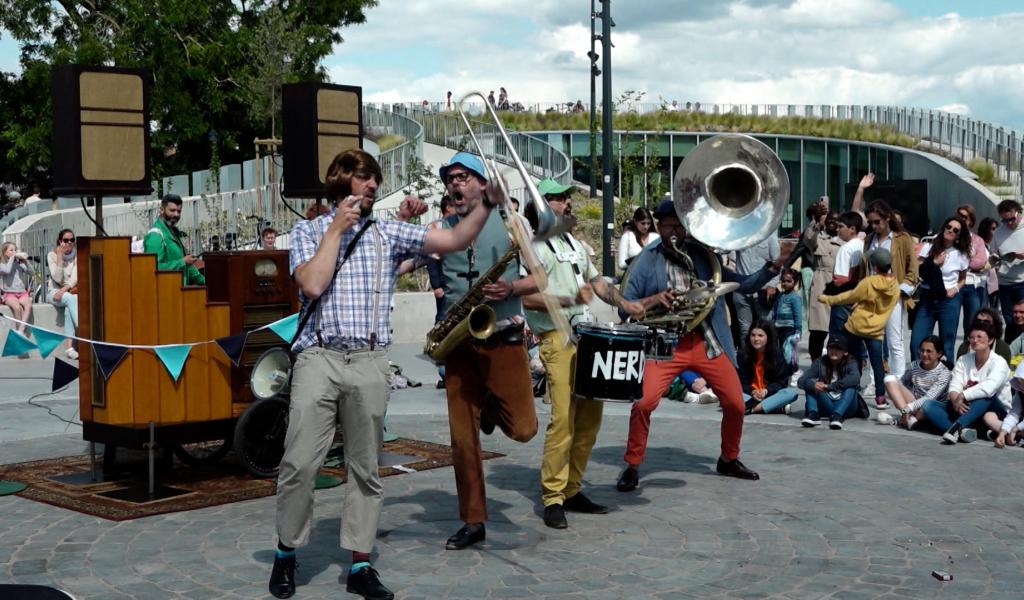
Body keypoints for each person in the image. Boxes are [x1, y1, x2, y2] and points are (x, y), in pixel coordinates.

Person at [269, 148, 502, 600]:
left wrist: (486, 204)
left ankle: (360, 564)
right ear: (341, 181)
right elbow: (312, 284)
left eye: (375, 178)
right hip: (319, 356)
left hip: (370, 360)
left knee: (365, 469)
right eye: (364, 177)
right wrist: (335, 229)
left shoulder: (386, 231)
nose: (373, 184)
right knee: (299, 463)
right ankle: (286, 552)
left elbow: (453, 241)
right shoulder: (307, 230)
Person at [615, 199, 782, 492]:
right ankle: (632, 464)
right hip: (666, 345)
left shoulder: (704, 255)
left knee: (735, 403)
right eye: (669, 227)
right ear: (659, 227)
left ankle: (729, 458)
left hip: (708, 341)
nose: (675, 232)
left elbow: (744, 285)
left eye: (680, 226)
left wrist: (772, 268)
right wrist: (655, 300)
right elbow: (623, 306)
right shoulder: (646, 260)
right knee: (644, 403)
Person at [521, 178, 644, 529]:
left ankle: (572, 488)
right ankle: (553, 496)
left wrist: (625, 304)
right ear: (541, 204)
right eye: (558, 198)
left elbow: (597, 282)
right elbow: (526, 297)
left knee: (590, 419)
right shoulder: (530, 246)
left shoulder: (573, 242)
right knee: (563, 419)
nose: (566, 203)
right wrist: (567, 300)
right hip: (556, 336)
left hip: (586, 336)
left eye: (565, 197)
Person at [433, 152, 541, 551]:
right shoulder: (440, 229)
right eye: (450, 179)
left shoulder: (513, 224)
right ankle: (473, 520)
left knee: (525, 429)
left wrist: (511, 288)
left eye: (462, 177)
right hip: (458, 342)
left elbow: (541, 279)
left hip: (503, 336)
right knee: (463, 441)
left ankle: (492, 409)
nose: (454, 184)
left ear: (483, 184)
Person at [820, 248, 899, 409]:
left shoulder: (869, 282)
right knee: (877, 364)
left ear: (874, 266)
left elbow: (849, 297)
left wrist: (828, 299)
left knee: (850, 359)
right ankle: (880, 398)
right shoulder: (895, 286)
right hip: (876, 330)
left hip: (856, 326)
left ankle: (849, 389)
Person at [921, 321, 1010, 444]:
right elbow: (955, 384)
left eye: (979, 337)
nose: (975, 340)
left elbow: (989, 388)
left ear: (990, 340)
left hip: (994, 410)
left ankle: (956, 428)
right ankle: (963, 431)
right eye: (972, 337)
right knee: (928, 405)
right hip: (965, 408)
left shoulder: (999, 362)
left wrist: (963, 395)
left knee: (986, 395)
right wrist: (955, 400)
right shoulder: (964, 359)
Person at [862, 200, 918, 381]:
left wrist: (901, 290)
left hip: (893, 295)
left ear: (887, 218)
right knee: (874, 342)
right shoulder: (869, 240)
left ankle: (898, 381)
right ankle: (874, 381)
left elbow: (913, 269)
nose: (874, 226)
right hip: (872, 296)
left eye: (877, 221)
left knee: (895, 341)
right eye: (870, 222)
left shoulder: (901, 238)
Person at [910, 216, 970, 365]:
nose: (951, 231)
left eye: (955, 230)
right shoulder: (928, 248)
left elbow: (962, 279)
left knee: (947, 343)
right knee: (916, 342)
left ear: (958, 235)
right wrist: (934, 262)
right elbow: (919, 271)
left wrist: (955, 289)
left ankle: (945, 375)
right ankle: (918, 374)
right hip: (927, 297)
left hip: (948, 300)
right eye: (948, 227)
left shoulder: (961, 254)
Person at [883, 335, 951, 429]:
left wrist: (907, 408)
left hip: (931, 408)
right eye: (922, 350)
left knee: (926, 407)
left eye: (929, 351)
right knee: (889, 379)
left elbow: (929, 397)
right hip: (913, 404)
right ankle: (908, 419)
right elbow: (901, 382)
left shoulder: (944, 373)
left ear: (939, 354)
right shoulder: (914, 365)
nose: (924, 354)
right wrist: (896, 396)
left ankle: (901, 420)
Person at [797, 338, 866, 429]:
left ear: (845, 352)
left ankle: (837, 415)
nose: (834, 351)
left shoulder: (851, 362)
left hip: (846, 407)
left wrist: (829, 386)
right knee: (811, 385)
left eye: (838, 348)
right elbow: (801, 380)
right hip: (826, 403)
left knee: (851, 388)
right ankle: (813, 414)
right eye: (831, 348)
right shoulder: (820, 362)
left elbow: (855, 379)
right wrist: (813, 385)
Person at [143, 194, 205, 285]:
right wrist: (182, 262)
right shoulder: (155, 236)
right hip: (167, 291)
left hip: (179, 290)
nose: (176, 214)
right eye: (172, 210)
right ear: (161, 210)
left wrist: (206, 282)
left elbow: (188, 267)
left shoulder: (173, 233)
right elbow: (154, 268)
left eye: (179, 211)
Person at [739, 321, 798, 415]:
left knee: (791, 393)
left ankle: (752, 409)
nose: (756, 339)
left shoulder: (776, 354)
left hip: (769, 394)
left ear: (768, 337)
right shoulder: (742, 355)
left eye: (760, 335)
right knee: (730, 393)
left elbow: (781, 382)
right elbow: (741, 382)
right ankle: (774, 407)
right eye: (753, 335)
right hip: (749, 395)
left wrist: (766, 391)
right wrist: (752, 392)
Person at [732, 230, 781, 344]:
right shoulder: (739, 234)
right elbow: (726, 250)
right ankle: (746, 355)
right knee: (745, 330)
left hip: (763, 291)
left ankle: (770, 354)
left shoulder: (769, 235)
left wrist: (772, 285)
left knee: (766, 328)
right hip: (741, 290)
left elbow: (777, 262)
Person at [806, 210, 841, 359]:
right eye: (830, 219)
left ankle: (837, 363)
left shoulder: (845, 239)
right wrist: (815, 222)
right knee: (818, 328)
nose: (832, 222)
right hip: (820, 283)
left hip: (839, 284)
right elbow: (808, 239)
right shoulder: (818, 237)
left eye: (836, 220)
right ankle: (815, 362)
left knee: (839, 328)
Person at [827, 212, 865, 344]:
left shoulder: (846, 249)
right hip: (858, 299)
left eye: (841, 226)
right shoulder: (863, 245)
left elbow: (840, 280)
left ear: (852, 229)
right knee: (855, 341)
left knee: (838, 342)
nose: (837, 230)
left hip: (843, 301)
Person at [955, 204, 990, 338]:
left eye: (965, 217)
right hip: (952, 284)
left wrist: (956, 262)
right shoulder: (948, 235)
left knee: (972, 324)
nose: (961, 219)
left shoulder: (977, 240)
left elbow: (980, 261)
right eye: (959, 215)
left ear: (971, 221)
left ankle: (969, 348)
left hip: (972, 284)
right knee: (950, 324)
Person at [46, 229, 79, 360]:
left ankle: (70, 348)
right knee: (71, 298)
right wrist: (60, 258)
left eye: (72, 240)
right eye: (66, 240)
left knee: (70, 303)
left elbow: (75, 278)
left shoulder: (77, 255)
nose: (69, 242)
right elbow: (57, 278)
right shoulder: (52, 255)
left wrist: (63, 290)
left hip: (67, 291)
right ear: (60, 241)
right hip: (54, 292)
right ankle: (83, 330)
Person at [992, 200, 1024, 328]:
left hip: (1022, 281)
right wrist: (995, 259)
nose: (1009, 223)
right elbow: (993, 253)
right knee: (1010, 320)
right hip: (1004, 283)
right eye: (1004, 220)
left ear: (1018, 213)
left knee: (1022, 318)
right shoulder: (998, 232)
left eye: (1011, 219)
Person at [983, 362, 1023, 448]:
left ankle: (1013, 436)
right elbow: (1014, 414)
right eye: (1020, 381)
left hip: (1020, 427)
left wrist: (1017, 429)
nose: (1021, 385)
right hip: (1020, 426)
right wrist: (1003, 432)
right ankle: (1009, 437)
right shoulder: (1020, 392)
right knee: (989, 416)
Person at [771, 268, 802, 370]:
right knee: (780, 350)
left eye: (789, 281)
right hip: (778, 327)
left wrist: (798, 331)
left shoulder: (795, 297)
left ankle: (793, 370)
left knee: (789, 351)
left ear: (795, 282)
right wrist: (773, 323)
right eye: (783, 281)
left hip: (789, 328)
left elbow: (798, 315)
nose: (785, 283)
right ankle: (782, 370)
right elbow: (775, 310)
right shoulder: (780, 295)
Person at [0, 242, 34, 335]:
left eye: (15, 250)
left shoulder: (19, 264)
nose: (14, 252)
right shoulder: (2, 265)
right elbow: (7, 270)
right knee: (17, 308)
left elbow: (31, 272)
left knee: (28, 306)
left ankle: (21, 329)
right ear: (5, 252)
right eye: (11, 250)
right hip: (9, 294)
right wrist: (12, 257)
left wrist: (26, 262)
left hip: (22, 293)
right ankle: (19, 331)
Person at [616, 207, 659, 271]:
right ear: (635, 222)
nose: (646, 227)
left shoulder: (656, 237)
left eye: (648, 223)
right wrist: (636, 260)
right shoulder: (627, 237)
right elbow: (621, 264)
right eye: (643, 223)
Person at [978, 216, 1000, 310]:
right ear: (985, 229)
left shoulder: (994, 244)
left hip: (994, 282)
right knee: (983, 310)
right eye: (993, 229)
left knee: (994, 312)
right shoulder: (978, 244)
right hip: (982, 282)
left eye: (997, 229)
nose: (996, 231)